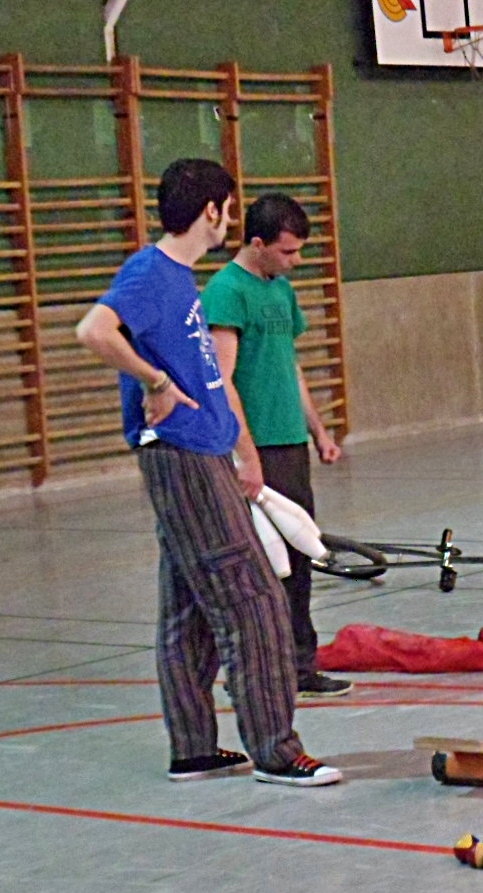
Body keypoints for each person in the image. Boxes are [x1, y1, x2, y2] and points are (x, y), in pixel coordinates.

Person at [74, 158, 342, 787]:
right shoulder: (151, 272)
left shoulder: (179, 278)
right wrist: (154, 381)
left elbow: (207, 375)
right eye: (227, 206)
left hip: (207, 451)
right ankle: (277, 751)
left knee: (190, 610)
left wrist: (240, 452)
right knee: (255, 602)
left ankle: (193, 748)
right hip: (182, 456)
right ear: (212, 211)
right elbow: (94, 330)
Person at [202, 193, 350, 701]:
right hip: (257, 446)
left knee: (299, 558)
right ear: (258, 243)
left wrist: (319, 431)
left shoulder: (281, 290)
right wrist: (245, 454)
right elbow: (222, 379)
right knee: (261, 565)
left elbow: (289, 365)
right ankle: (255, 665)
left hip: (289, 443)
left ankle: (299, 663)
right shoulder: (226, 292)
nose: (296, 261)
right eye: (288, 251)